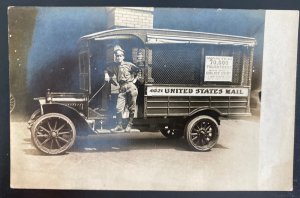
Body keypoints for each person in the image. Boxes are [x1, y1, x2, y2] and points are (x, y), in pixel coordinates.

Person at [104, 46, 140, 132]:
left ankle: (129, 125)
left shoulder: (129, 64)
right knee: (118, 108)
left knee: (132, 108)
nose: (118, 57)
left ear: (123, 56)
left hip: (131, 87)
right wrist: (106, 74)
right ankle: (119, 125)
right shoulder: (114, 66)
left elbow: (139, 70)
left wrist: (135, 79)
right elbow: (106, 69)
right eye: (117, 56)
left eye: (120, 56)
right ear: (115, 57)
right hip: (122, 88)